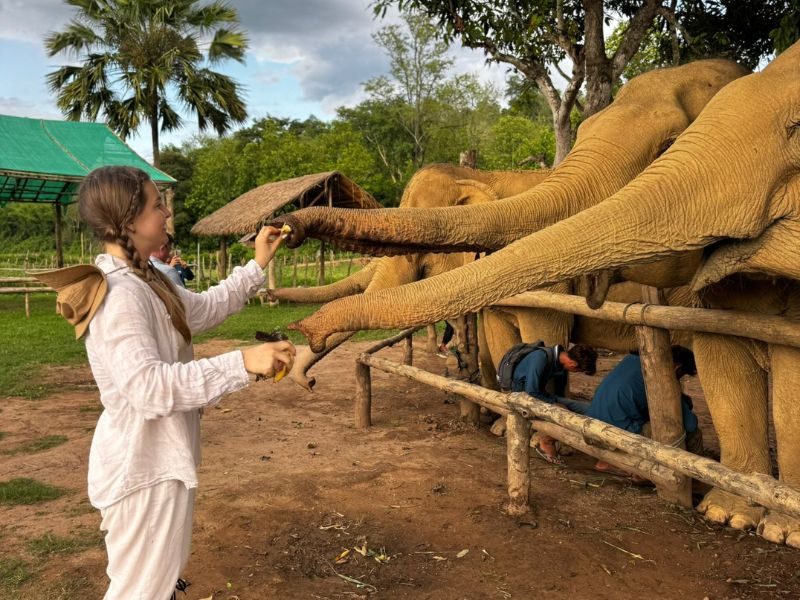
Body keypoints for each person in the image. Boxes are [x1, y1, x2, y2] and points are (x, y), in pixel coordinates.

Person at [41, 166, 296, 600]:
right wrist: (242, 363)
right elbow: (148, 388)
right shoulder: (121, 296)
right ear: (128, 221)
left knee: (155, 586)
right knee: (142, 592)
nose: (166, 215)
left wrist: (257, 264)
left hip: (158, 461)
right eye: (157, 205)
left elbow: (202, 311)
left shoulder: (148, 279)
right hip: (142, 470)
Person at [572, 345, 702, 478]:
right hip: (613, 436)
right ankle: (691, 478)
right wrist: (682, 404)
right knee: (693, 433)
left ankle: (607, 460)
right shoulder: (660, 376)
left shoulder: (630, 360)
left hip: (590, 427)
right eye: (682, 374)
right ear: (677, 367)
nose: (679, 379)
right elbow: (690, 424)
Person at [505, 343, 598, 463]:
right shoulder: (540, 358)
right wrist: (554, 403)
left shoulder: (558, 361)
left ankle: (549, 438)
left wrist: (556, 401)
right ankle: (545, 441)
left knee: (587, 409)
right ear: (573, 364)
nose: (576, 372)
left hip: (542, 396)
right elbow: (531, 391)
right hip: (524, 399)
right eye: (580, 370)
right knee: (567, 415)